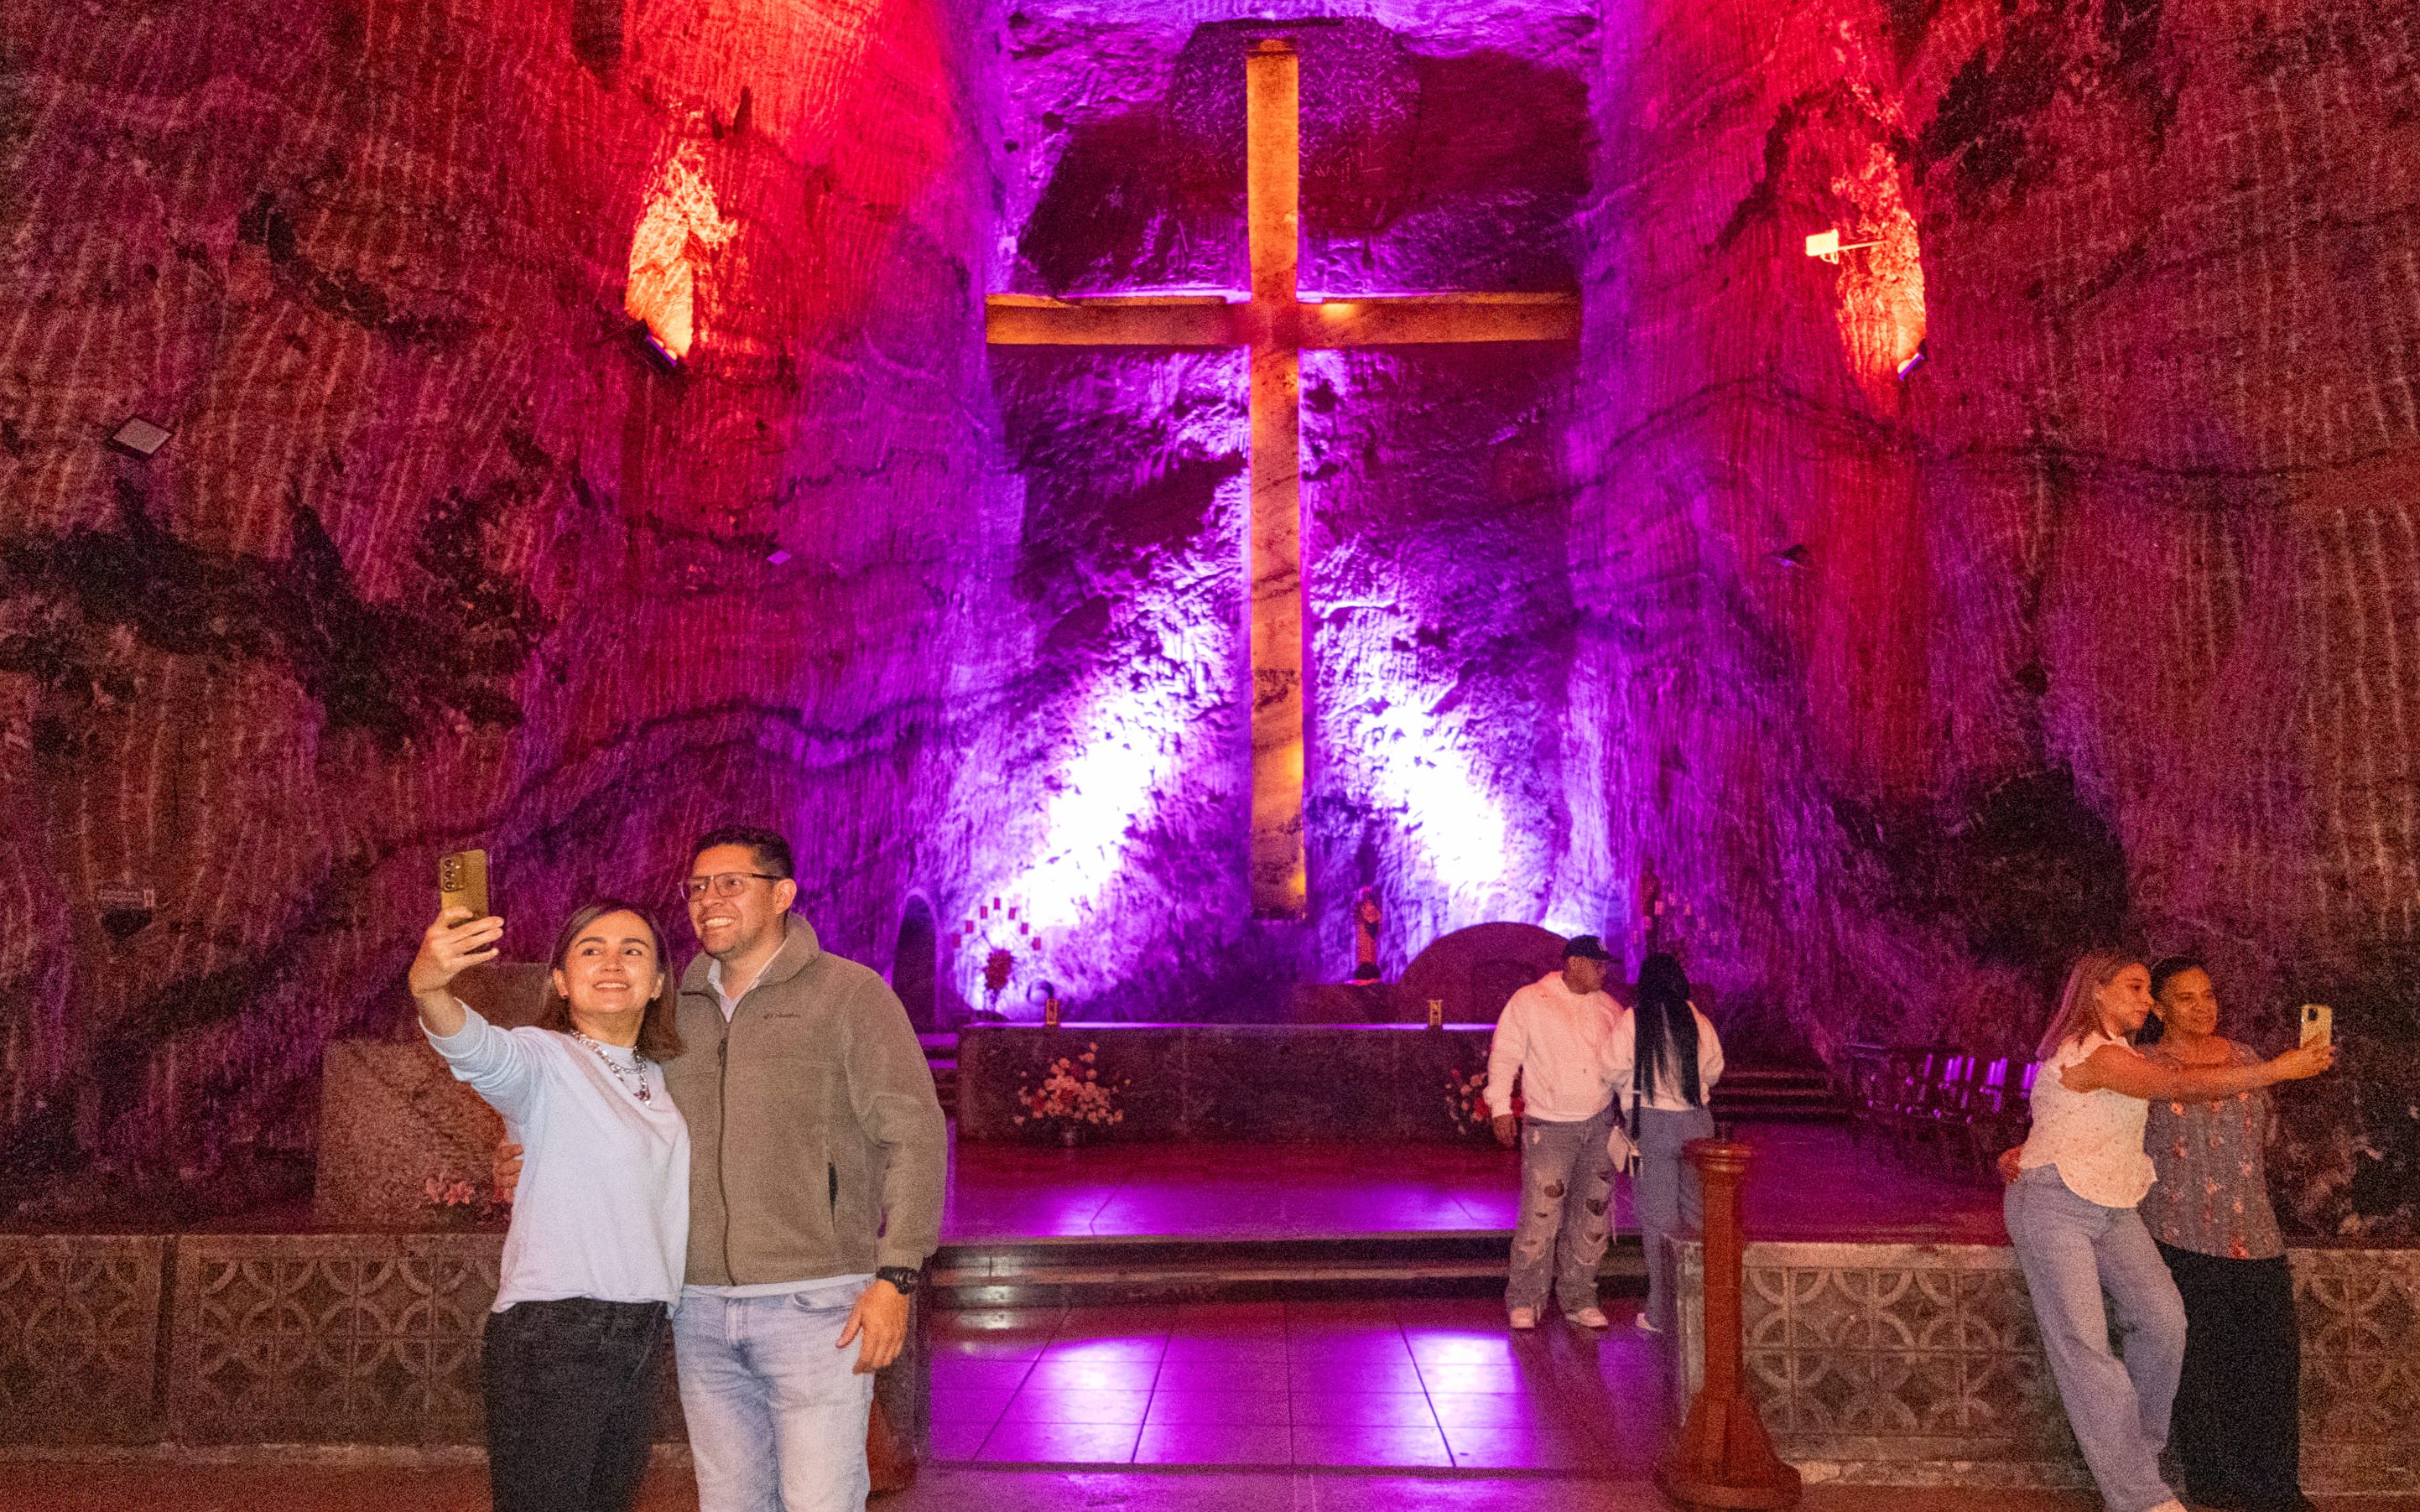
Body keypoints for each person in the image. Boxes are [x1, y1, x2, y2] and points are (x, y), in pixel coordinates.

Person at [497, 826, 948, 1512]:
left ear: (783, 895)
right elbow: (615, 1111)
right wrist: (530, 1155)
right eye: (698, 887)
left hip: (816, 1302)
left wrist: (896, 1274)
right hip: (698, 1306)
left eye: (731, 882)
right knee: (730, 1502)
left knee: (819, 1500)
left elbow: (914, 1136)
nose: (709, 899)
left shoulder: (849, 995)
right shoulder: (672, 1010)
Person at [2003, 950, 2332, 1512]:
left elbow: (2085, 1118)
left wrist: (2024, 1145)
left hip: (2112, 1206)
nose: (2146, 1000)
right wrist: (2278, 1068)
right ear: (2096, 991)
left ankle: (2136, 1457)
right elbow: (2175, 1083)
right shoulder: (2093, 1053)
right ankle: (2139, 1495)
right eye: (2135, 988)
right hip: (2054, 1204)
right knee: (2085, 1348)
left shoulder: (2122, 1053)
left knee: (2163, 1323)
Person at [410, 900, 689, 1512]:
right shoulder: (542, 1059)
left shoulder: (662, 1078)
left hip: (641, 1330)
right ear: (560, 980)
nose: (613, 961)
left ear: (660, 981)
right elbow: (478, 1049)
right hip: (556, 1334)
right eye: (591, 949)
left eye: (633, 950)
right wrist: (429, 983)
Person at [2138, 956, 2314, 1512]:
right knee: (2200, 1366)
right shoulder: (2142, 1064)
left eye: (2208, 994)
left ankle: (2276, 1488)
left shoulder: (2247, 1056)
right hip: (2177, 1232)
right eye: (2186, 997)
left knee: (2271, 1362)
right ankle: (2215, 1485)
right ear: (2158, 1007)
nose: (2202, 1006)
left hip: (2253, 1232)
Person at [1487, 933, 1624, 1331]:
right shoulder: (1530, 1000)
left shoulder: (1610, 1008)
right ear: (1574, 963)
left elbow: (1621, 1067)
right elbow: (1505, 1054)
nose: (1604, 970)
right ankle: (1525, 1298)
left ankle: (1580, 1296)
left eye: (1605, 964)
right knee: (1541, 1216)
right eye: (1598, 963)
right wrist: (1500, 1107)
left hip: (1599, 1126)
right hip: (1549, 1127)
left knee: (1592, 1216)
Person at [1603, 950, 1724, 1336]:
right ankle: (1705, 1307)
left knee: (1658, 1220)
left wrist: (1631, 1086)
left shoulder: (1635, 1019)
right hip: (1697, 1123)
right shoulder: (1697, 1019)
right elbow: (1714, 1070)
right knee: (1698, 1216)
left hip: (1652, 1123)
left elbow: (1610, 1066)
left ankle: (1662, 1312)